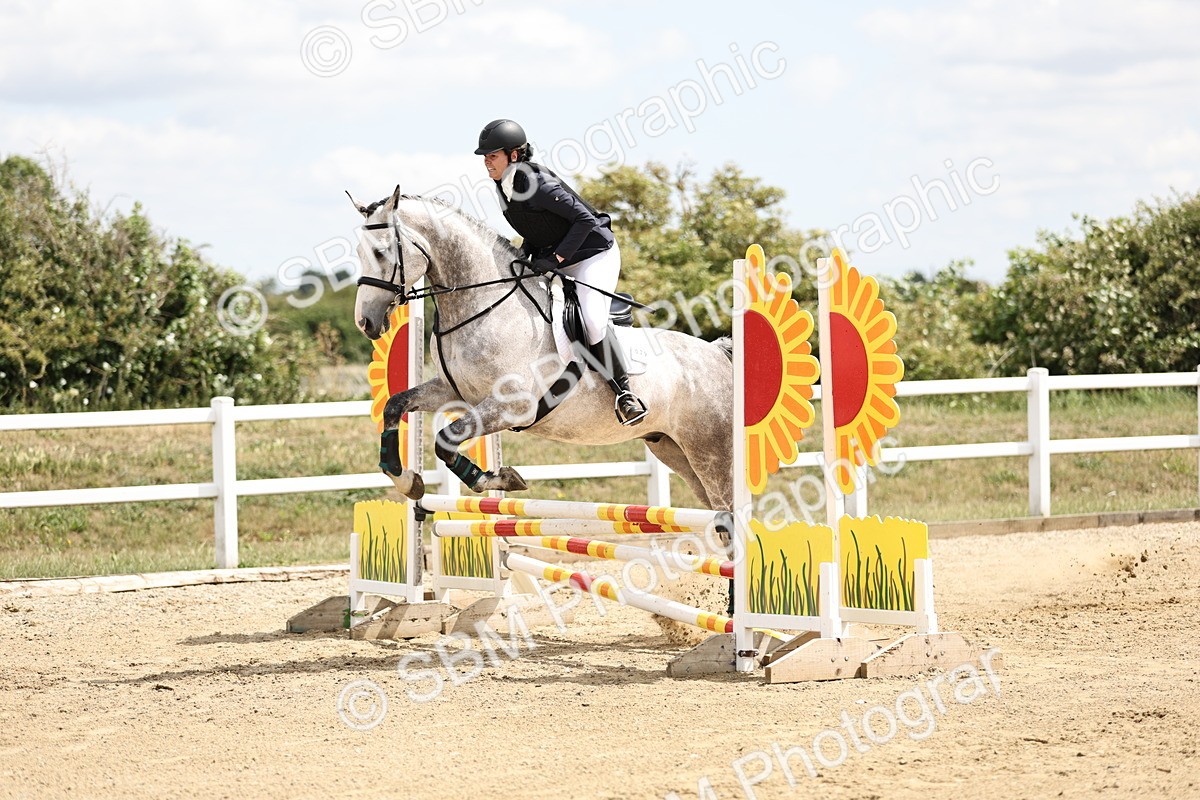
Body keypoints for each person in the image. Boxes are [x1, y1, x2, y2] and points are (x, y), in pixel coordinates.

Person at [475, 118, 648, 426]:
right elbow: (537, 226)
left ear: (513, 155)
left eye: (492, 155)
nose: (486, 161)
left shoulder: (537, 183)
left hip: (593, 253)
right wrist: (525, 253)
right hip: (560, 255)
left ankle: (625, 394)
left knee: (593, 321)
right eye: (485, 156)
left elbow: (584, 220)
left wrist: (555, 258)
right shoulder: (504, 186)